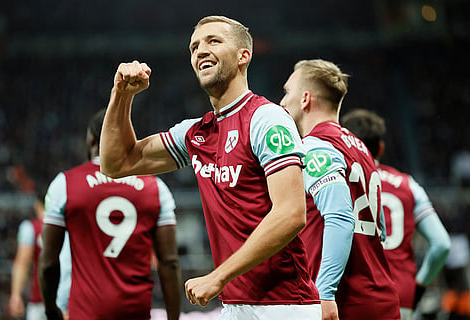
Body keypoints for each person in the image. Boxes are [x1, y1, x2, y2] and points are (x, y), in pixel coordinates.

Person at [100, 15, 321, 319]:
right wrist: (121, 95)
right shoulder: (196, 134)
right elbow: (117, 163)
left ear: (244, 56)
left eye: (213, 41)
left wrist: (218, 276)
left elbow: (291, 214)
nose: (200, 50)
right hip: (234, 306)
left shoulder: (266, 120)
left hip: (284, 307)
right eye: (194, 47)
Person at [280, 59, 401, 320]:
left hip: (346, 304)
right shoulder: (359, 148)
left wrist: (324, 291)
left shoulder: (314, 147)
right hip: (382, 297)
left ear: (305, 99)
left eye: (287, 92)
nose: (282, 102)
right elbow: (379, 228)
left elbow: (340, 218)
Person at [38, 109, 182, 320]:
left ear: (91, 140)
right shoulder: (156, 188)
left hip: (85, 314)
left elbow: (48, 261)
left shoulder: (65, 185)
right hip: (136, 313)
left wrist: (51, 310)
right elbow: (169, 263)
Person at [341, 108, 451, 319]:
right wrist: (419, 286)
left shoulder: (341, 179)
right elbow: (442, 244)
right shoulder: (409, 185)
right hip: (402, 295)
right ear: (381, 148)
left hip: (356, 293)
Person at [9, 197, 46, 320]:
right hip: (70, 301)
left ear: (37, 205)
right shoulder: (70, 226)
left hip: (40, 301)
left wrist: (16, 295)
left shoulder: (31, 228)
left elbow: (22, 262)